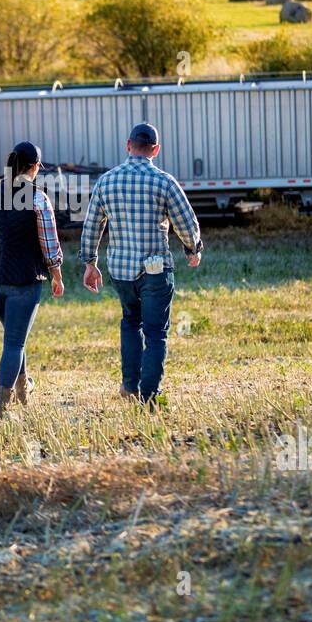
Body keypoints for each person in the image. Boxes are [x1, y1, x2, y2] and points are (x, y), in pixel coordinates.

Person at [79, 122, 202, 408]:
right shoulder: (165, 182)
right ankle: (149, 395)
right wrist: (192, 249)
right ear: (156, 150)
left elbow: (92, 225)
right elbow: (185, 222)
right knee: (156, 332)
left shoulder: (106, 181)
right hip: (155, 271)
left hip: (121, 271)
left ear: (128, 145)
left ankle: (130, 385)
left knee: (130, 323)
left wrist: (90, 262)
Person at [0, 141, 64, 418]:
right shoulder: (38, 198)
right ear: (34, 167)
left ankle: (23, 388)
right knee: (14, 343)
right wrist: (57, 276)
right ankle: (1, 407)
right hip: (24, 282)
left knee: (14, 336)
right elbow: (49, 246)